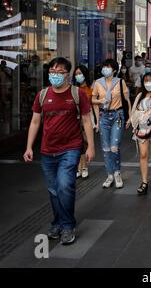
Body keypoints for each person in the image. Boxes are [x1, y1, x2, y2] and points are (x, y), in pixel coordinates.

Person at [24, 57, 95, 245]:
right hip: (48, 150)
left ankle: (68, 225)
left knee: (65, 186)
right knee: (54, 191)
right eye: (52, 72)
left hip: (70, 148)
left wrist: (91, 147)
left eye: (59, 72)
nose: (55, 75)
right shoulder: (42, 95)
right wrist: (29, 147)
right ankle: (57, 222)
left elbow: (87, 121)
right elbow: (35, 122)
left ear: (67, 74)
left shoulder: (77, 94)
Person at [92, 59, 132, 189]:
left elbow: (127, 101)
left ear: (114, 70)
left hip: (118, 116)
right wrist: (97, 121)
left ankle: (117, 173)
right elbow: (93, 100)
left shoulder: (120, 82)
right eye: (104, 67)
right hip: (104, 116)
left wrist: (129, 118)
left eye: (108, 67)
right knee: (106, 148)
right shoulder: (97, 83)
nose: (105, 69)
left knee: (114, 146)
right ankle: (109, 174)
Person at [72, 65, 94, 179]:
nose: (78, 76)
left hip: (87, 117)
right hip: (75, 118)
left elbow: (94, 105)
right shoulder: (73, 88)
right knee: (78, 144)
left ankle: (84, 166)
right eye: (76, 74)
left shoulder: (91, 87)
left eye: (80, 73)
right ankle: (79, 167)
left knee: (85, 143)